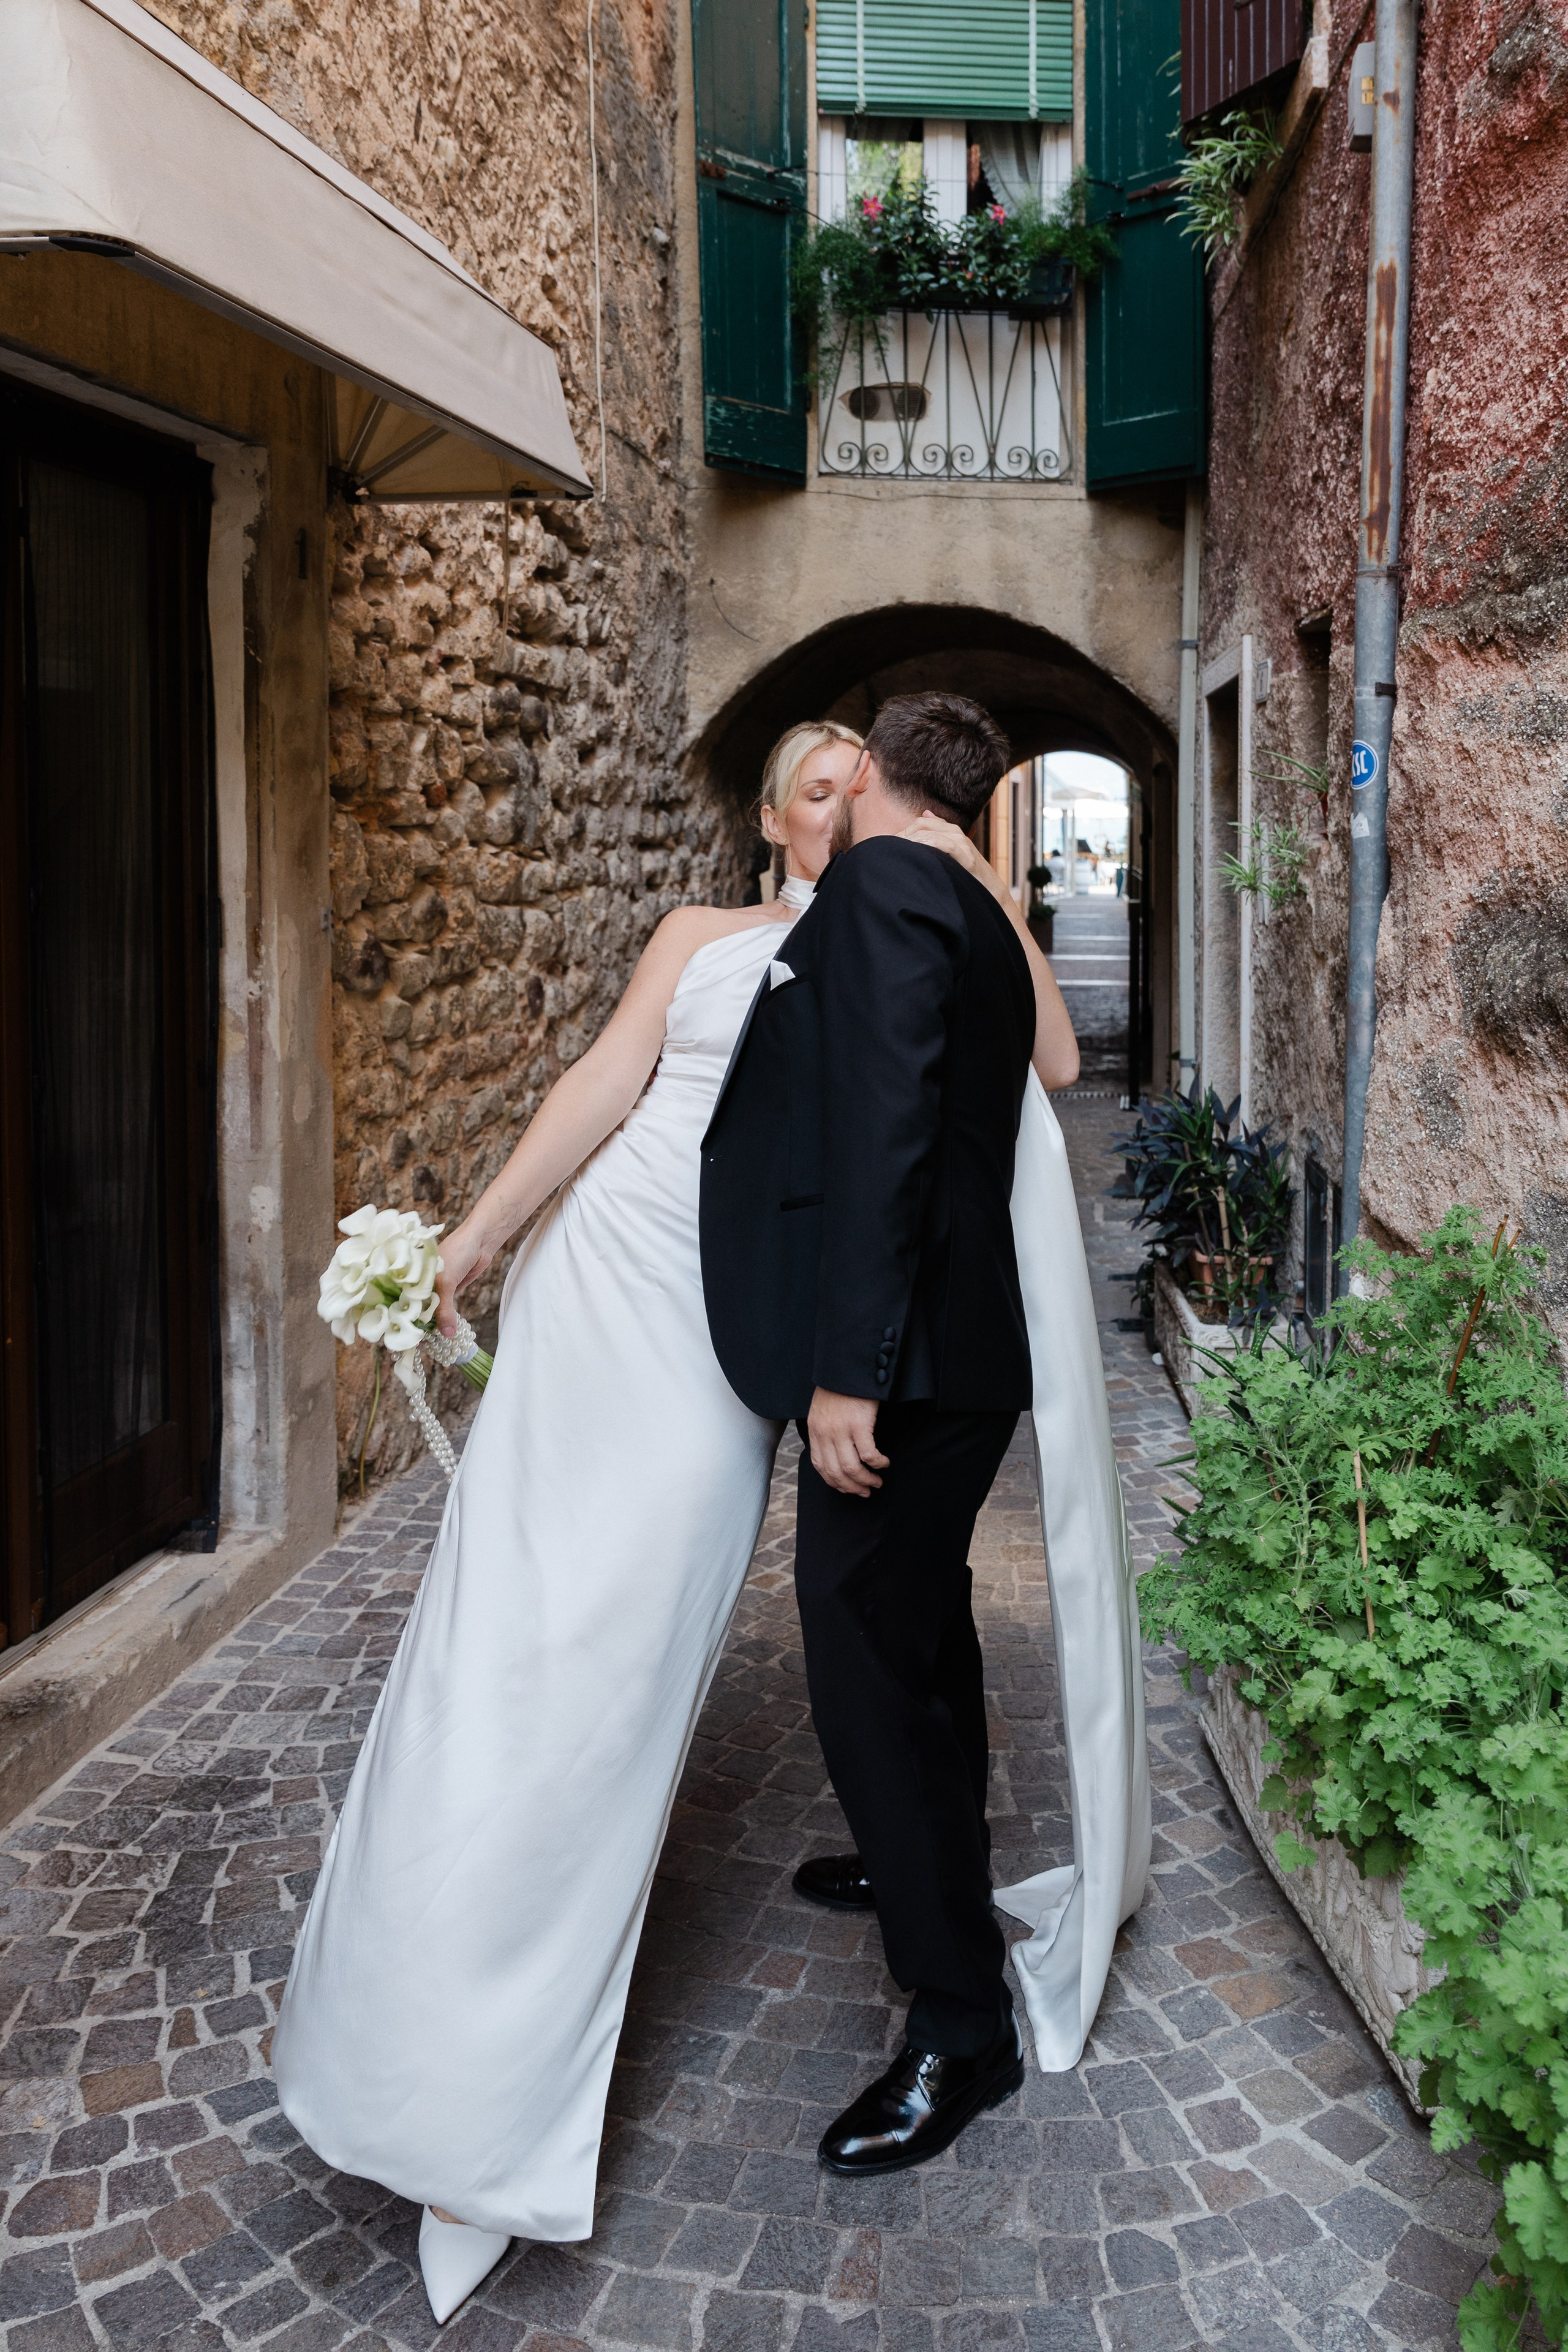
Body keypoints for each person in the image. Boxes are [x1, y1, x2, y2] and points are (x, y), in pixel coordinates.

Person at [271, 720, 864, 2321]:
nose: (849, 796)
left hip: (719, 1365)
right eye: (821, 778)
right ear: (767, 819)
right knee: (495, 1669)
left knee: (611, 1703)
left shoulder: (902, 951)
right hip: (596, 1297)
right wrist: (468, 1250)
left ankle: (505, 2113)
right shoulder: (697, 937)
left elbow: (1047, 1072)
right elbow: (601, 1087)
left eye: (871, 778)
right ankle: (416, 2077)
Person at [699, 692, 1139, 2174]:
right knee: (917, 1620)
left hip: (908, 1360)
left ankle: (959, 2028)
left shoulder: (890, 880)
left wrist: (848, 1373)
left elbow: (890, 1122)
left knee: (859, 1656)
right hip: (957, 1351)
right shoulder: (956, 891)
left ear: (880, 777)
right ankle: (915, 1862)